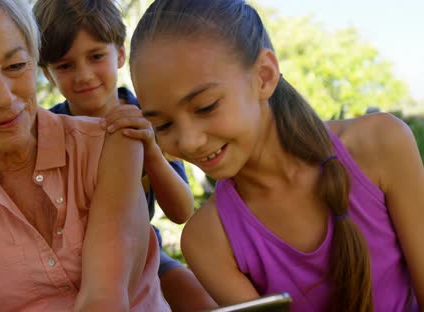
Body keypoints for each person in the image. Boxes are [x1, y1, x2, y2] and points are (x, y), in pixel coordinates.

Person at [0, 1, 215, 311]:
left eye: (15, 66)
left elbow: (107, 293)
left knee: (198, 294)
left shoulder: (125, 132)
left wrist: (150, 151)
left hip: (145, 252)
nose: (3, 98)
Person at [128, 0, 424, 312]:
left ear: (264, 76)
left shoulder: (380, 144)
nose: (189, 141)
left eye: (206, 106)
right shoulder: (207, 239)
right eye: (163, 124)